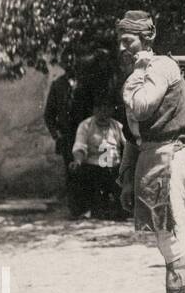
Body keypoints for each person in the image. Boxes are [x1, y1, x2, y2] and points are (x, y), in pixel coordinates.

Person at [116, 10, 185, 293]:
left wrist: (137, 73)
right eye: (120, 42)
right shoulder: (147, 70)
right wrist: (127, 179)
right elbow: (134, 135)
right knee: (166, 242)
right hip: (154, 158)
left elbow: (140, 106)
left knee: (173, 242)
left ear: (146, 38)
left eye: (129, 41)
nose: (123, 48)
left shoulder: (161, 67)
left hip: (171, 159)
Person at [44, 48, 90, 217]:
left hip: (85, 135)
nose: (71, 65)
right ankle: (74, 209)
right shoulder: (57, 85)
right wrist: (57, 135)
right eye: (67, 62)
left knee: (86, 169)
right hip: (67, 137)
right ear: (63, 65)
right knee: (71, 171)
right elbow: (48, 115)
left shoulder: (84, 83)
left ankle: (86, 207)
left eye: (73, 61)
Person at [70, 98, 125, 219]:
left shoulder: (117, 126)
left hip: (114, 167)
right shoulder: (86, 125)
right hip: (94, 168)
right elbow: (80, 146)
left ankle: (119, 209)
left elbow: (128, 146)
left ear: (111, 110)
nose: (103, 112)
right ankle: (87, 209)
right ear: (94, 110)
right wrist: (77, 161)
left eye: (106, 108)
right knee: (81, 175)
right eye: (99, 108)